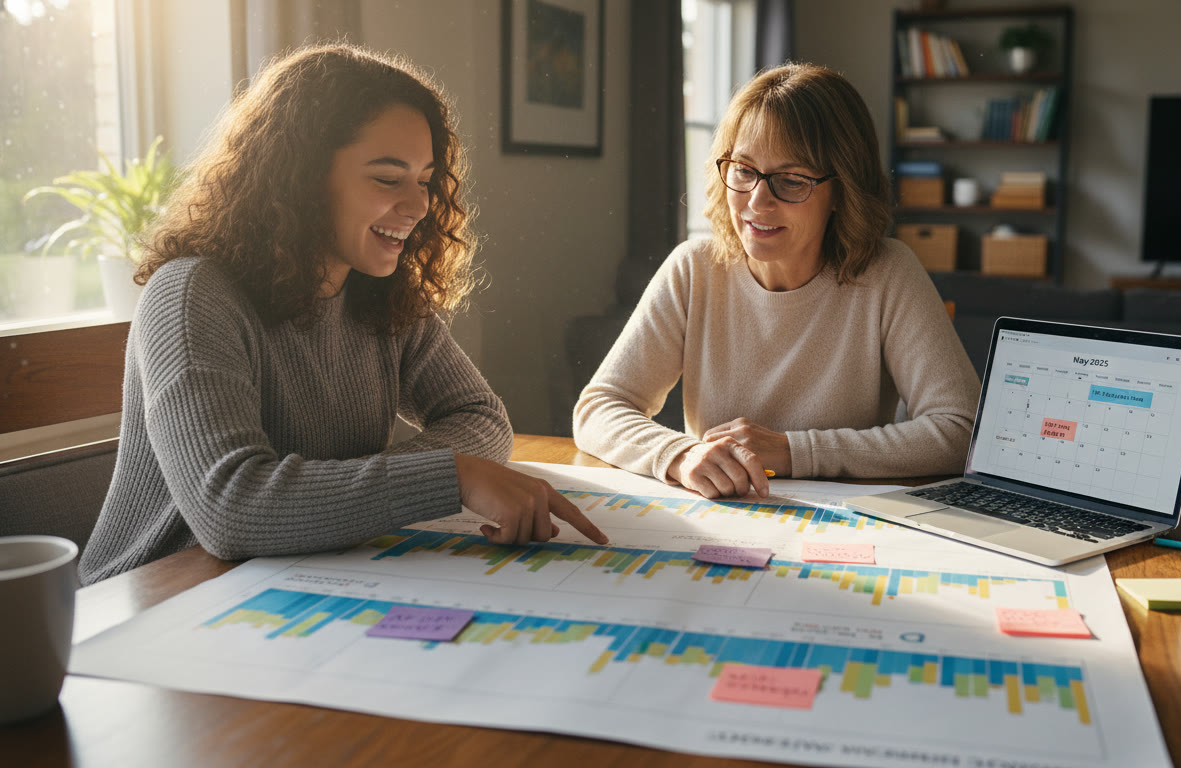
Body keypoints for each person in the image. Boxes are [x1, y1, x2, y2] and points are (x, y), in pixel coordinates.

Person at [80, 44, 606, 585]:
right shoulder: (192, 294)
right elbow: (230, 509)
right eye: (387, 178)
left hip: (295, 578)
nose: (421, 206)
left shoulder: (380, 293)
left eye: (424, 180)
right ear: (300, 177)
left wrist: (380, 487)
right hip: (156, 596)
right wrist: (449, 476)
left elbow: (481, 418)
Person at [573, 63, 980, 500]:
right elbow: (599, 408)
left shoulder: (888, 273)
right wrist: (679, 454)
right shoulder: (693, 269)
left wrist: (794, 451)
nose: (757, 201)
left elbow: (963, 431)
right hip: (718, 520)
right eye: (744, 170)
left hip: (844, 525)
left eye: (790, 180)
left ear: (843, 191)